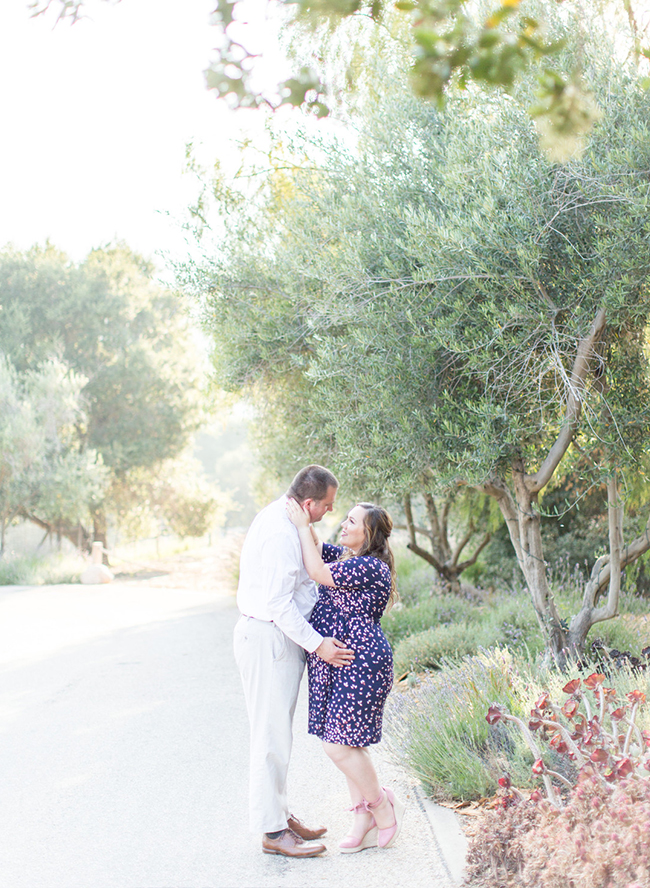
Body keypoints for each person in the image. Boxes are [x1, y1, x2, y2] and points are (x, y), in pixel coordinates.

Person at [233, 465, 355, 858]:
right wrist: (320, 645)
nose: (330, 513)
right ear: (308, 503)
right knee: (270, 737)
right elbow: (279, 605)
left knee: (277, 735)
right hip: (269, 637)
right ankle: (272, 832)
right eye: (328, 507)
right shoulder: (279, 532)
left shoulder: (286, 520)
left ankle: (280, 816)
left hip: (275, 637)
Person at [286, 497, 405, 853]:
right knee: (349, 743)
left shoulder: (370, 566)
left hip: (361, 661)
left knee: (337, 745)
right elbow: (321, 549)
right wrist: (304, 521)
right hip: (340, 661)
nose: (344, 524)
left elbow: (317, 571)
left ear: (368, 533)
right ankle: (362, 818)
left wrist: (301, 526)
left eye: (351, 521)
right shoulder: (349, 558)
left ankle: (382, 806)